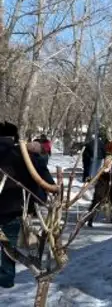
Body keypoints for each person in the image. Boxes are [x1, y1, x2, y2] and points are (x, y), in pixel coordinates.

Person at [0, 123, 56, 288]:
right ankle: (6, 276)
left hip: (11, 203)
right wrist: (51, 189)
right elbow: (43, 176)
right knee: (8, 244)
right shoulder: (24, 154)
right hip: (15, 205)